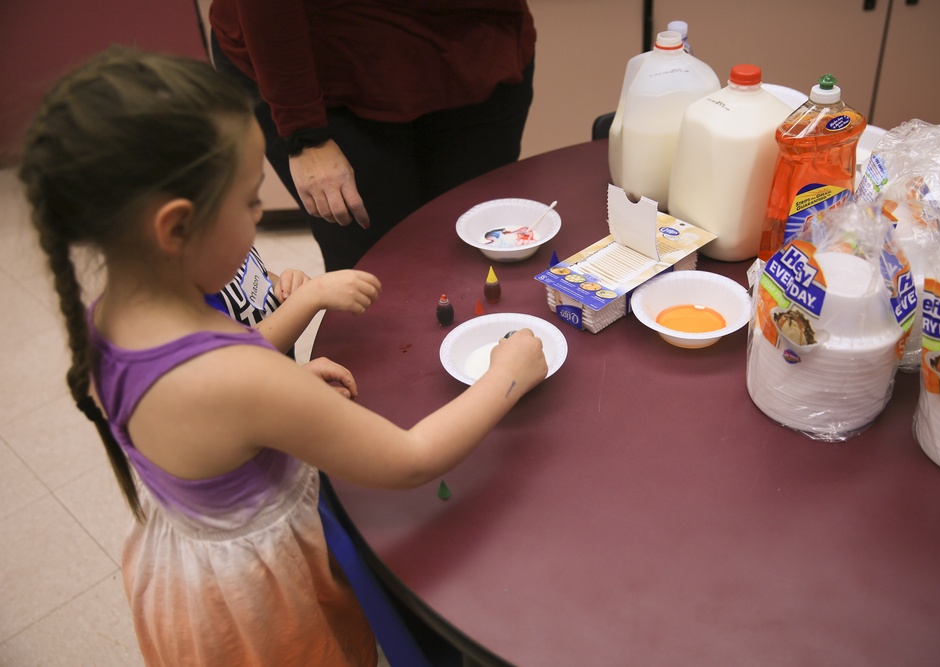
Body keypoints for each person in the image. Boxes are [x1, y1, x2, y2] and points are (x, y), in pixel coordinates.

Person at [18, 47, 547, 666]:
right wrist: (506, 376)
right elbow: (410, 460)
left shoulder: (110, 315)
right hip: (259, 611)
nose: (258, 215)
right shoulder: (234, 380)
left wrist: (281, 390)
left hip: (188, 577)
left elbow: (219, 409)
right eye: (248, 200)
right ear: (175, 228)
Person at [208, 0, 536, 272]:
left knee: (478, 251)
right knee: (376, 270)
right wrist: (305, 135)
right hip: (325, 72)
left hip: (480, 47)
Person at [208, 245, 382, 358]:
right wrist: (312, 294)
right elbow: (238, 358)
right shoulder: (193, 292)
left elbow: (257, 277)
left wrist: (282, 284)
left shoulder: (225, 238)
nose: (257, 214)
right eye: (248, 205)